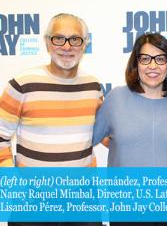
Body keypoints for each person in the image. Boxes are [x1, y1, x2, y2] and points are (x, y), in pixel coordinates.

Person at [0, 13, 103, 226]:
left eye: (75, 39)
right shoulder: (22, 84)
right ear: (47, 43)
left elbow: (104, 134)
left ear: (85, 45)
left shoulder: (93, 87)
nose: (67, 46)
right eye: (59, 38)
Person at [92, 33, 167, 226]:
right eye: (145, 59)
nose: (152, 66)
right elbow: (86, 140)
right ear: (135, 64)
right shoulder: (115, 99)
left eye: (160, 59)